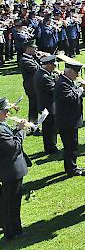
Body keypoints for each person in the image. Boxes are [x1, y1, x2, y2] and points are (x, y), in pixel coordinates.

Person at [0, 98, 31, 241]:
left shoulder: (2, 125)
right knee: (12, 203)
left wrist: (16, 129)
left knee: (10, 201)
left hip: (10, 170)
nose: (7, 113)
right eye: (5, 111)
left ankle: (11, 229)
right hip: (10, 171)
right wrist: (21, 130)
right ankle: (14, 231)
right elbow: (14, 147)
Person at [54, 59, 85, 176]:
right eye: (76, 73)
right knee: (70, 146)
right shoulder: (63, 83)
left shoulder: (67, 81)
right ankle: (71, 169)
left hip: (69, 120)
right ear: (69, 72)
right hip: (67, 121)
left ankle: (71, 166)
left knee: (72, 145)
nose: (78, 75)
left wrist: (80, 89)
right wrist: (80, 89)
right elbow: (71, 98)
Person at [33, 54, 58, 154]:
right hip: (48, 106)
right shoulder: (45, 77)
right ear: (48, 65)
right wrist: (57, 81)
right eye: (53, 65)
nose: (54, 67)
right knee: (50, 128)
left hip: (43, 105)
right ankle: (51, 148)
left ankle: (49, 146)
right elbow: (54, 91)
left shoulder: (39, 73)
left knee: (47, 128)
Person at [18, 39, 40, 124]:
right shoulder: (24, 60)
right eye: (34, 48)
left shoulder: (30, 58)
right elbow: (37, 69)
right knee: (34, 108)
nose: (36, 49)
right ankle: (33, 126)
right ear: (28, 48)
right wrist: (44, 59)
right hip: (32, 87)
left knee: (35, 107)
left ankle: (33, 125)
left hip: (34, 86)